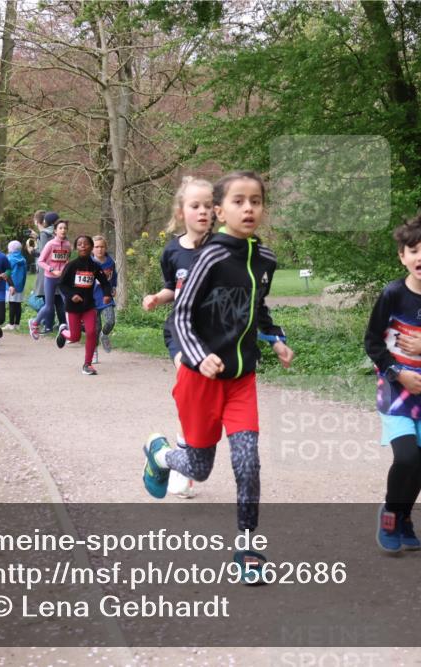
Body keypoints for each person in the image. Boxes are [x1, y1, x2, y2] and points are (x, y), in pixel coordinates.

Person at [141, 171, 294, 583]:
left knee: (248, 463)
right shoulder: (207, 257)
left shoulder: (266, 260)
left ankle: (247, 547)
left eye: (256, 201)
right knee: (199, 466)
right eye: (239, 201)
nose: (249, 208)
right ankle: (158, 454)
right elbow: (182, 315)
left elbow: (258, 309)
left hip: (241, 378)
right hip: (200, 378)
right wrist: (199, 355)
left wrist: (276, 339)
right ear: (220, 209)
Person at [364, 215, 421, 553]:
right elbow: (371, 342)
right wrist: (398, 373)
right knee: (407, 457)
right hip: (396, 392)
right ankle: (390, 513)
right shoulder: (393, 294)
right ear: (402, 256)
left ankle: (406, 516)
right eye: (413, 250)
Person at [143, 176, 215, 369]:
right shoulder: (171, 251)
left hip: (215, 331)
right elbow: (172, 288)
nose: (202, 211)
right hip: (181, 328)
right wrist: (156, 298)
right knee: (187, 371)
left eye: (208, 206)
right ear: (180, 213)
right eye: (195, 206)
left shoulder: (223, 249)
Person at [54, 235, 111, 375]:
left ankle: (87, 364)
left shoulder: (95, 267)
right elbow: (62, 284)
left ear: (91, 247)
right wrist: (72, 295)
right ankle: (62, 332)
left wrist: (107, 294)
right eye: (80, 244)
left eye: (86, 244)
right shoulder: (71, 265)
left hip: (88, 305)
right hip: (73, 307)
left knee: (92, 332)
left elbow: (105, 282)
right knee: (75, 337)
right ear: (76, 247)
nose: (83, 246)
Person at [30, 219, 70, 340]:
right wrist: (52, 270)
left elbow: (66, 260)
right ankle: (34, 323)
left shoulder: (68, 245)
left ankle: (69, 331)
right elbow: (41, 261)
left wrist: (65, 269)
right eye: (60, 228)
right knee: (49, 306)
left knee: (67, 303)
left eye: (65, 228)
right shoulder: (50, 244)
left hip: (62, 279)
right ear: (55, 231)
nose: (63, 230)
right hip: (50, 278)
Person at [90, 235, 116, 362]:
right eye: (96, 247)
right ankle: (93, 351)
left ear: (105, 248)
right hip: (92, 300)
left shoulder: (110, 262)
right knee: (96, 328)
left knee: (110, 321)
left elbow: (114, 276)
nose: (99, 249)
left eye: (102, 247)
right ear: (92, 249)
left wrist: (114, 286)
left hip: (106, 298)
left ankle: (104, 335)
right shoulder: (88, 263)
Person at [6, 240, 28, 330]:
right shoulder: (23, 259)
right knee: (18, 304)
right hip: (20, 285)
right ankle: (17, 324)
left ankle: (11, 324)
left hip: (11, 285)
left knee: (12, 304)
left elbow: (7, 272)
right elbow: (25, 273)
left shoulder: (9, 258)